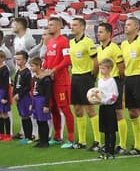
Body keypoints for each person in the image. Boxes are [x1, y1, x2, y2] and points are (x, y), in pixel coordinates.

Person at [39, 17, 74, 146]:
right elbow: (47, 60)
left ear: (59, 27)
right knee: (53, 108)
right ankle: (57, 136)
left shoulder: (64, 41)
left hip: (61, 81)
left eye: (52, 25)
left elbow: (67, 60)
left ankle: (71, 139)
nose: (49, 27)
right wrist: (43, 69)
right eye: (49, 25)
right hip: (51, 81)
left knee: (65, 108)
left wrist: (53, 70)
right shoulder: (50, 42)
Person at [121, 17, 140, 155]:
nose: (126, 26)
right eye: (125, 24)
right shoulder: (123, 44)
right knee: (132, 113)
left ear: (136, 27)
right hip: (129, 79)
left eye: (129, 24)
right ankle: (138, 145)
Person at [66, 18, 99, 150]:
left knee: (90, 109)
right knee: (78, 109)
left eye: (75, 25)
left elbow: (96, 61)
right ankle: (81, 141)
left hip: (86, 77)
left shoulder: (88, 42)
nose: (72, 27)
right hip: (75, 77)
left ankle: (97, 141)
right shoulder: (71, 42)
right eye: (72, 25)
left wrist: (92, 77)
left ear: (82, 27)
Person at [95, 22, 126, 150]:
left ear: (108, 33)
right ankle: (108, 143)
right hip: (103, 83)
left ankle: (122, 144)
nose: (98, 34)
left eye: (101, 32)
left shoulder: (114, 48)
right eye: (98, 32)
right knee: (106, 115)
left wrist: (119, 81)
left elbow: (121, 66)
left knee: (118, 112)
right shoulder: (99, 48)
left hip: (114, 82)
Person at [95, 58, 121, 159]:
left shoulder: (111, 81)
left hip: (110, 107)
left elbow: (115, 95)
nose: (101, 70)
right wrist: (96, 99)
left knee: (111, 130)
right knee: (105, 130)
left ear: (110, 69)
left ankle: (111, 152)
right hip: (102, 107)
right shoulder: (100, 81)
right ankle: (106, 151)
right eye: (100, 68)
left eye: (104, 68)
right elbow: (99, 93)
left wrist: (106, 100)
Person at [28, 56, 53, 148]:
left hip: (41, 100)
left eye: (32, 66)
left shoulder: (45, 78)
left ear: (38, 66)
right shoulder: (35, 77)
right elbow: (33, 90)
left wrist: (46, 105)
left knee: (43, 121)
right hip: (35, 100)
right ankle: (41, 140)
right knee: (38, 121)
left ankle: (45, 141)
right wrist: (32, 103)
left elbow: (48, 93)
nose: (31, 68)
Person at [12, 50, 34, 145]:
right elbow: (15, 84)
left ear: (25, 60)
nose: (17, 61)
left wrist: (19, 95)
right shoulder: (18, 72)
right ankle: (26, 136)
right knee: (22, 116)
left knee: (26, 116)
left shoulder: (27, 72)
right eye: (16, 59)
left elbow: (27, 86)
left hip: (24, 97)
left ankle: (29, 137)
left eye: (19, 59)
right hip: (18, 98)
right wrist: (14, 94)